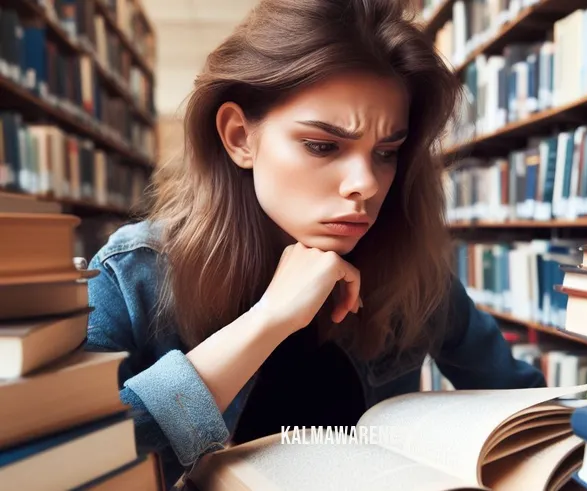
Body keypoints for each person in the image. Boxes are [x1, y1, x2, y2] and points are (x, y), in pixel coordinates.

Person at [85, 0, 546, 488]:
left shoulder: (411, 272)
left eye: (386, 153)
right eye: (323, 146)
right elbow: (75, 466)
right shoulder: (131, 274)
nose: (364, 184)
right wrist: (267, 321)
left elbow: (529, 411)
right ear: (240, 137)